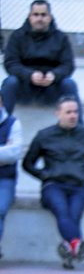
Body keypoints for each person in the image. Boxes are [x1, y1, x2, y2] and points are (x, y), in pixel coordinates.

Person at [21, 96, 84, 269]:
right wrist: (44, 176)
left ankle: (69, 251)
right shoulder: (44, 135)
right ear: (58, 114)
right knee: (63, 213)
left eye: (75, 112)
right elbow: (27, 163)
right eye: (68, 112)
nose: (73, 115)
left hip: (78, 187)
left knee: (73, 217)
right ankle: (76, 245)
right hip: (53, 186)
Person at [1, 0, 81, 116]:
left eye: (43, 15)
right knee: (10, 82)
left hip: (51, 89)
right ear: (29, 17)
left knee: (69, 83)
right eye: (36, 15)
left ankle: (78, 129)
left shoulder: (61, 38)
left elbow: (68, 65)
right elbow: (11, 63)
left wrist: (54, 75)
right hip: (24, 88)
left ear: (50, 17)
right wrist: (30, 75)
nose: (39, 19)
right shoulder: (17, 36)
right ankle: (2, 125)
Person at [0, 94, 23, 261]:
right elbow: (6, 153)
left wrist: (7, 153)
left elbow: (14, 153)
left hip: (4, 179)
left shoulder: (13, 123)